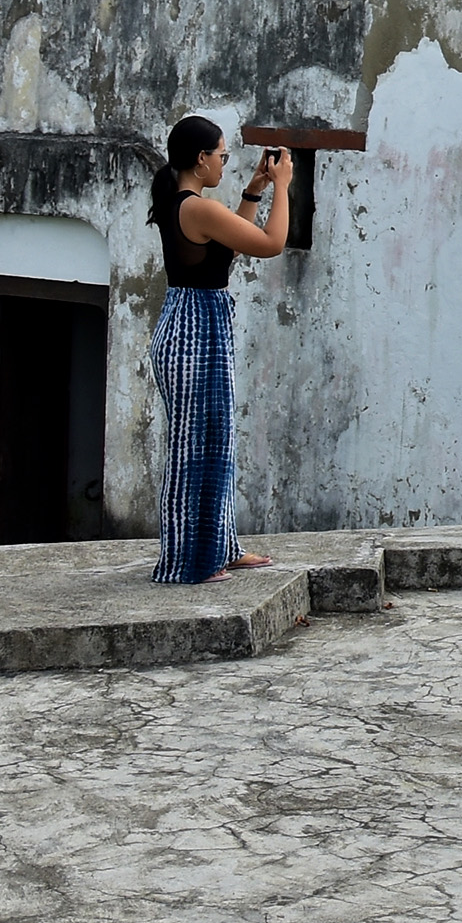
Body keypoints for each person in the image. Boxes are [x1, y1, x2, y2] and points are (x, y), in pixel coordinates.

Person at [148, 113, 290, 586]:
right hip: (193, 331)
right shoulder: (196, 207)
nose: (224, 164)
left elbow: (228, 250)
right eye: (222, 156)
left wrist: (254, 192)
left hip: (197, 325)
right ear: (201, 158)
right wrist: (284, 187)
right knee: (196, 449)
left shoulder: (190, 205)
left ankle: (219, 548)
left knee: (215, 443)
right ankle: (189, 562)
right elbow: (270, 244)